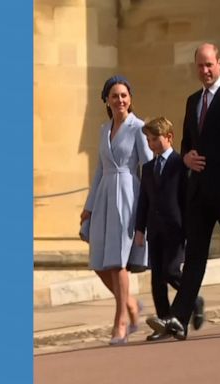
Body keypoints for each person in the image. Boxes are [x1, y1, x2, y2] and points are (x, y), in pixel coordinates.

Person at [147, 42, 220, 339]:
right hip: (199, 195)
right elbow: (185, 144)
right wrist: (188, 157)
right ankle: (179, 319)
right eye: (200, 66)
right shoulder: (192, 100)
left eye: (209, 64)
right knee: (193, 258)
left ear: (219, 63)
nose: (205, 71)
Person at [80, 75, 153, 345]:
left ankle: (121, 320)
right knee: (99, 260)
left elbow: (148, 166)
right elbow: (100, 169)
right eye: (114, 96)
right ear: (107, 101)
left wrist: (150, 203)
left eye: (124, 95)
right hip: (104, 197)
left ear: (130, 98)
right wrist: (88, 208)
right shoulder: (103, 129)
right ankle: (132, 304)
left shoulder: (138, 127)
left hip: (128, 195)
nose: (120, 100)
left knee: (118, 261)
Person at [134, 117, 204, 341]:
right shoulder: (147, 168)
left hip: (176, 228)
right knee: (157, 279)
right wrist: (139, 229)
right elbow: (143, 201)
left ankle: (193, 300)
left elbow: (186, 199)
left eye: (155, 139)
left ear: (169, 137)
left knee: (171, 271)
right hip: (155, 230)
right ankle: (164, 322)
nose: (151, 144)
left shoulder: (179, 164)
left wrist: (190, 228)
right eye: (148, 140)